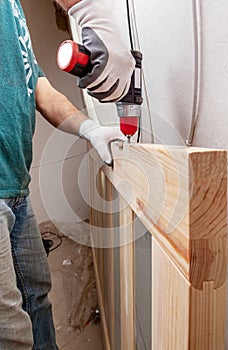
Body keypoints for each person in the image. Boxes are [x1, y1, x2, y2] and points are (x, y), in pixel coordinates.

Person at [0, 0, 134, 349]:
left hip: (16, 186)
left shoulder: (12, 8)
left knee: (37, 299)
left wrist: (90, 128)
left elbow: (37, 85)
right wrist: (89, 8)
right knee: (10, 330)